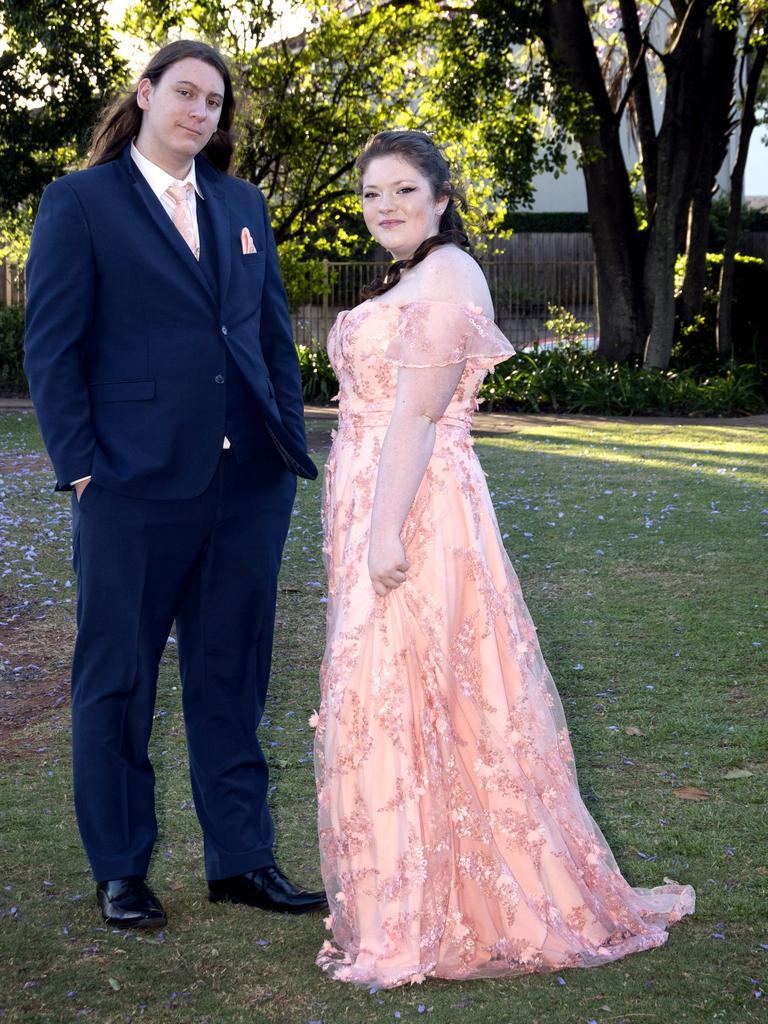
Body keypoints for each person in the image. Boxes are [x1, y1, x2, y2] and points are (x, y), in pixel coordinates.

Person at [313, 130, 695, 987]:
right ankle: (411, 893)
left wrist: (382, 534)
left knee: (410, 694)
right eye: (372, 193)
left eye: (404, 191)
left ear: (443, 199)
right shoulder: (411, 276)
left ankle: (443, 906)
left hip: (415, 512)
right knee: (395, 694)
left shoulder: (449, 280)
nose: (385, 207)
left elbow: (416, 417)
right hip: (379, 501)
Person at [24, 40, 327, 929]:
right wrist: (81, 469)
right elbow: (52, 348)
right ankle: (121, 868)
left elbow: (269, 332)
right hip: (131, 487)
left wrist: (285, 439)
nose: (200, 112)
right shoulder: (79, 203)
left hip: (248, 487)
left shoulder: (240, 202)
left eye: (214, 102)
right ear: (147, 94)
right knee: (115, 679)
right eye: (186, 94)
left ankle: (243, 860)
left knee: (231, 678)